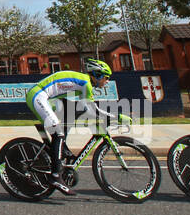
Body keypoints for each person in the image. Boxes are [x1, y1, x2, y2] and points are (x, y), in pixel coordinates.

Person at [24, 60, 120, 195]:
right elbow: (92, 110)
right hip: (38, 96)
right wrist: (116, 117)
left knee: (69, 115)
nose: (107, 81)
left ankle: (62, 151)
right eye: (106, 77)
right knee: (58, 133)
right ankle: (56, 176)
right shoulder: (86, 83)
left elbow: (84, 109)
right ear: (97, 75)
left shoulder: (84, 83)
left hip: (50, 99)